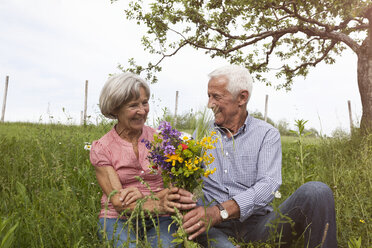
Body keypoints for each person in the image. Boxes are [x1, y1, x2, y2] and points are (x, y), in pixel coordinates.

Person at [182, 65, 337, 248]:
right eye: (209, 96)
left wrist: (221, 211)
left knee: (317, 191)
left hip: (259, 225)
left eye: (216, 97)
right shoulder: (201, 132)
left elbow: (268, 185)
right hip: (214, 227)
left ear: (242, 97)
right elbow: (188, 178)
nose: (209, 104)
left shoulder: (267, 134)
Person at [90, 72, 195, 248]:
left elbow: (172, 190)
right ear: (115, 108)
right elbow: (119, 204)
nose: (142, 111)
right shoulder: (102, 148)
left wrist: (144, 196)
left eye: (144, 103)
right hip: (117, 219)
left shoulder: (162, 140)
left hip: (161, 218)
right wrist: (159, 202)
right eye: (133, 105)